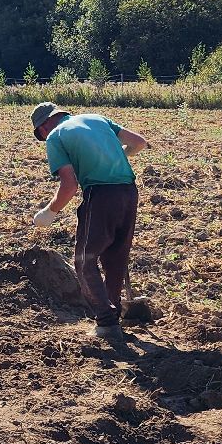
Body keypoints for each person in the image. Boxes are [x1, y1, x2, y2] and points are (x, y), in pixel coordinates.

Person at [29, 102, 148, 338]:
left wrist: (49, 212)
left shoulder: (55, 137)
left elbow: (70, 185)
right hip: (129, 192)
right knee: (116, 258)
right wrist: (116, 156)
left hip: (100, 195)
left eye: (41, 135)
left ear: (43, 128)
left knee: (84, 261)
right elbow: (139, 143)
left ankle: (106, 321)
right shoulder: (98, 119)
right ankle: (112, 317)